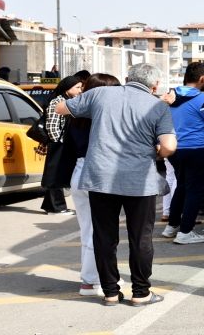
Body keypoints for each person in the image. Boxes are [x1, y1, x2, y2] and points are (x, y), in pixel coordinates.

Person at [55, 63, 177, 306]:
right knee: (140, 238)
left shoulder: (100, 93)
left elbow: (60, 108)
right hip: (139, 181)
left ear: (126, 78)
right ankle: (141, 293)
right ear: (154, 86)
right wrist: (156, 153)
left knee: (104, 236)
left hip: (100, 177)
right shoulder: (158, 105)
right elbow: (170, 146)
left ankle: (110, 291)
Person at [67, 74, 121, 296]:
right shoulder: (103, 117)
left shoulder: (76, 116)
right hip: (97, 173)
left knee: (88, 229)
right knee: (99, 231)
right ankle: (91, 281)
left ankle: (97, 278)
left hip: (78, 172)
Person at [162, 62, 204, 244]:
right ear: (203, 79)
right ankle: (186, 232)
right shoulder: (201, 99)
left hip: (175, 150)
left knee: (181, 187)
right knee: (195, 192)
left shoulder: (170, 96)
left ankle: (172, 226)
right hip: (197, 150)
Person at [40, 76, 82, 216]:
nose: (79, 90)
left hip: (63, 143)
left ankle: (52, 205)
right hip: (58, 143)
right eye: (76, 87)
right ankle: (56, 208)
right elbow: (52, 126)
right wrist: (59, 142)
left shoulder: (70, 101)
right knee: (55, 175)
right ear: (66, 88)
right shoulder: (57, 102)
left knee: (57, 175)